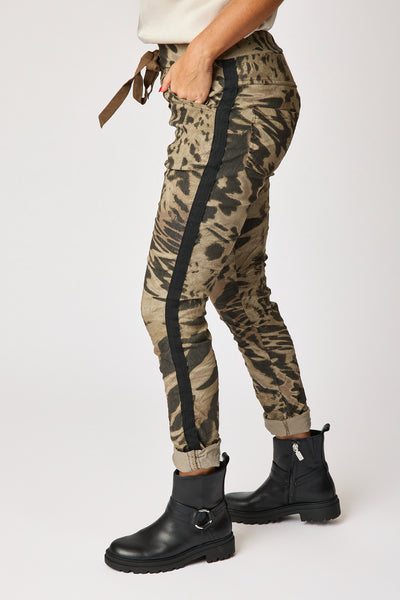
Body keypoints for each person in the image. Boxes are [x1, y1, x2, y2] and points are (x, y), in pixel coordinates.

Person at [98, 0, 341, 574]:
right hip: (235, 83)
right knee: (240, 290)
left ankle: (198, 507)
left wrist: (200, 51)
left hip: (229, 83)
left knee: (168, 303)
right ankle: (301, 469)